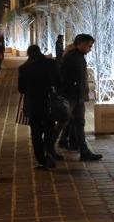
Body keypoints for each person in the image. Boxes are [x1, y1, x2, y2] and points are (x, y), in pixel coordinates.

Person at [59, 33, 102, 161]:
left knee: (79, 123)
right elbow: (63, 76)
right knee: (62, 123)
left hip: (78, 98)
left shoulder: (79, 57)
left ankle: (84, 151)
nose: (90, 48)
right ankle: (48, 148)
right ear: (81, 44)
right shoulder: (72, 58)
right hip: (71, 97)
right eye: (89, 46)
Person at [18, 45, 62, 170]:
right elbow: (59, 82)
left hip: (33, 105)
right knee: (49, 130)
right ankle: (49, 152)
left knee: (36, 134)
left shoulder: (24, 68)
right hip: (49, 103)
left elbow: (21, 89)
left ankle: (41, 160)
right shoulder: (50, 64)